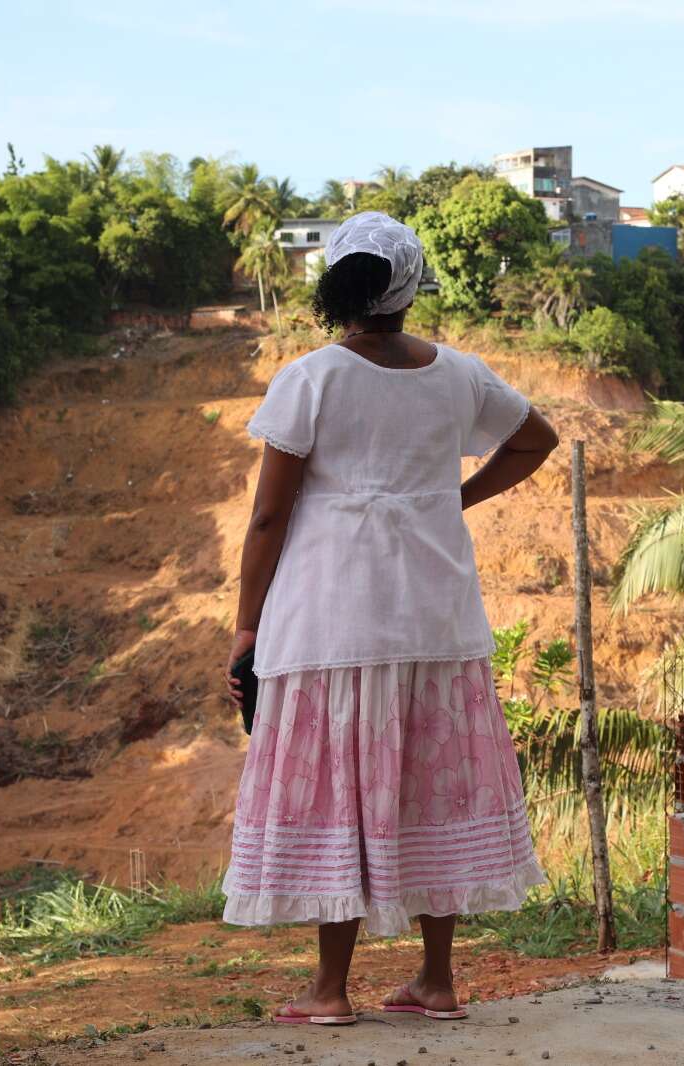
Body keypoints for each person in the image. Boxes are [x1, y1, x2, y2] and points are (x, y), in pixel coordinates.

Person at [221, 211, 559, 1025]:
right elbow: (535, 439)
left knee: (337, 791)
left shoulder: (311, 379)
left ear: (339, 281)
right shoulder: (460, 376)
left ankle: (330, 991)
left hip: (330, 619)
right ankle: (436, 981)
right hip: (436, 618)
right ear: (410, 288)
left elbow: (268, 519)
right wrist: (451, 499)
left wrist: (244, 627)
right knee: (436, 786)